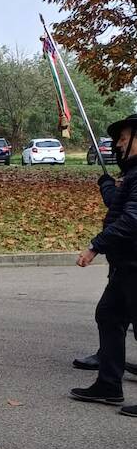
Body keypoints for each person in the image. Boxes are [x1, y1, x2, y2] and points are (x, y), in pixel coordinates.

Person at [70, 114, 137, 417]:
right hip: (126, 263)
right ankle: (109, 384)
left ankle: (110, 382)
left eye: (123, 140)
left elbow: (131, 220)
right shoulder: (134, 174)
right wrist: (108, 185)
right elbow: (119, 206)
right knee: (109, 315)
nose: (119, 147)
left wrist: (95, 247)